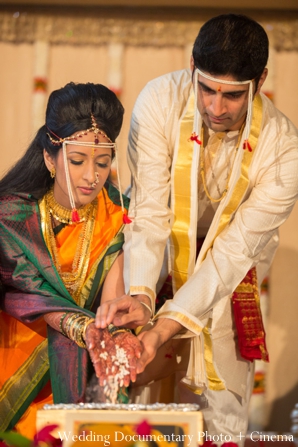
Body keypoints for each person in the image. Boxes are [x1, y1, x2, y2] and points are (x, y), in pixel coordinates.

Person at [97, 13, 298, 444]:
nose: (215, 107)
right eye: (206, 89)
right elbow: (150, 210)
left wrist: (164, 327)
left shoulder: (283, 149)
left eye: (231, 95)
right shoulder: (159, 101)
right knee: (141, 387)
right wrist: (144, 298)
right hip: (156, 251)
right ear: (192, 66)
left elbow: (232, 254)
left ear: (260, 81)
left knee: (220, 394)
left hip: (230, 265)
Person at [0, 82, 142, 437]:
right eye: (77, 161)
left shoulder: (114, 217)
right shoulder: (12, 217)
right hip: (15, 363)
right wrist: (81, 326)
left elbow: (112, 301)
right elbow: (26, 290)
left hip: (77, 370)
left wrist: (116, 333)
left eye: (103, 162)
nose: (91, 176)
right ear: (50, 157)